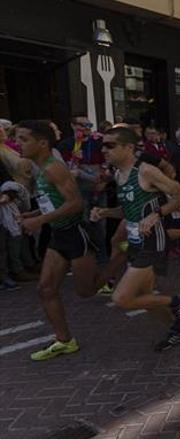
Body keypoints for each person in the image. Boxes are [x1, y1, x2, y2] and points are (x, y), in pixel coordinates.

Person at [87, 127, 180, 351]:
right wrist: (105, 212)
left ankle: (178, 301)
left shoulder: (146, 171)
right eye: (102, 145)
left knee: (121, 298)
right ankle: (179, 331)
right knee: (144, 297)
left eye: (110, 145)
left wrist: (158, 214)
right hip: (136, 242)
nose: (104, 150)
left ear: (128, 148)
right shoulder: (118, 174)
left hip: (153, 242)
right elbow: (130, 211)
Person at [16, 121, 105, 360]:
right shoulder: (40, 168)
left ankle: (120, 255)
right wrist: (34, 215)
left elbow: (76, 204)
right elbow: (54, 200)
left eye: (24, 139)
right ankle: (65, 340)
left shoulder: (54, 168)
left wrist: (41, 220)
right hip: (58, 236)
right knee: (45, 289)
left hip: (75, 233)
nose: (18, 144)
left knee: (86, 291)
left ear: (42, 143)